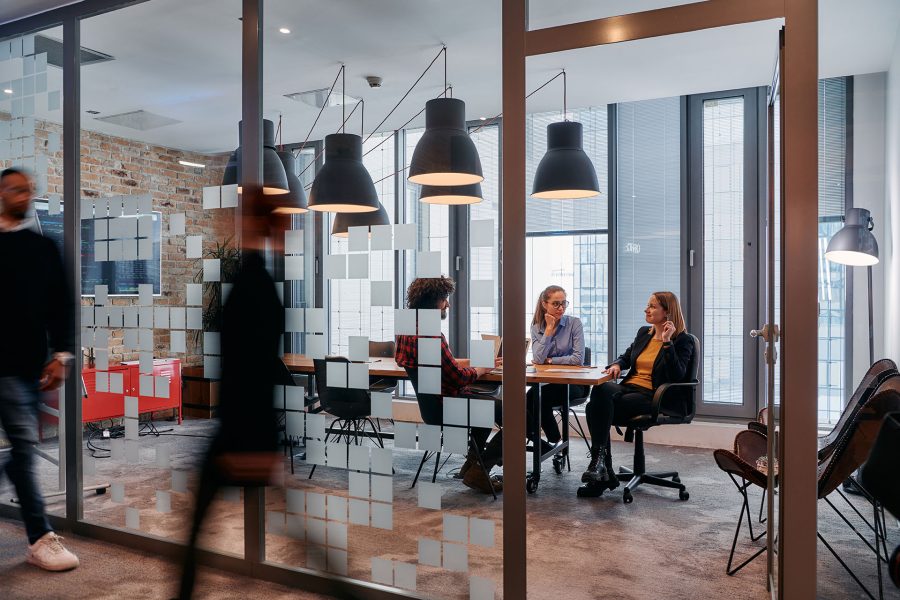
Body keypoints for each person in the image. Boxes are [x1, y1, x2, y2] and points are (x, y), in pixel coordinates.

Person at [178, 190, 285, 599]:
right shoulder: (256, 277)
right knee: (295, 531)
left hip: (243, 431)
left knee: (197, 528)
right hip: (246, 429)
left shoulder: (253, 282)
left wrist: (250, 441)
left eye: (239, 216)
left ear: (252, 223)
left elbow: (251, 370)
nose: (230, 222)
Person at [0, 167, 79, 571]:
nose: (23, 196)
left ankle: (40, 538)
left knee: (23, 451)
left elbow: (62, 305)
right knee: (21, 453)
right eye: (15, 190)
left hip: (20, 369)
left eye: (28, 190)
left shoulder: (42, 248)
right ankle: (39, 532)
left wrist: (63, 354)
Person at [395, 276, 503, 494]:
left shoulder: (406, 331)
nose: (448, 304)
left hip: (432, 408)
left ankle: (472, 465)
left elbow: (444, 365)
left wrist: (476, 363)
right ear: (433, 301)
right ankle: (480, 470)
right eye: (445, 299)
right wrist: (482, 369)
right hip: (448, 405)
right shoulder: (431, 335)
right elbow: (457, 378)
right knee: (516, 416)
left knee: (486, 409)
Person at [580, 291, 694, 493]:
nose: (646, 309)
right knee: (599, 394)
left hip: (655, 395)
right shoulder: (644, 333)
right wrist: (616, 365)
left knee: (594, 408)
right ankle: (602, 468)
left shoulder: (683, 340)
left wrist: (667, 342)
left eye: (652, 306)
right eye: (647, 305)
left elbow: (678, 375)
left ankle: (602, 471)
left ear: (667, 312)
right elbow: (626, 357)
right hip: (629, 388)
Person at [526, 286, 588, 455]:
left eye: (563, 303)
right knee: (528, 400)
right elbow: (538, 359)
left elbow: (577, 359)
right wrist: (548, 330)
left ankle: (554, 442)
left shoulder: (574, 323)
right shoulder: (537, 327)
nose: (561, 308)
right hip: (547, 383)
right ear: (544, 304)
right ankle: (546, 444)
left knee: (539, 399)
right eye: (556, 304)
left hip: (573, 384)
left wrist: (552, 360)